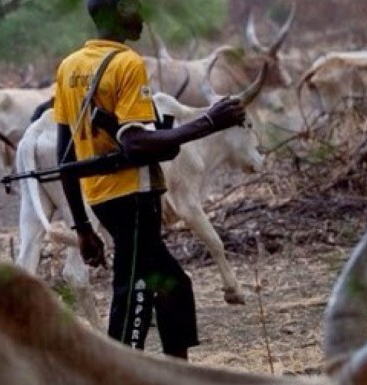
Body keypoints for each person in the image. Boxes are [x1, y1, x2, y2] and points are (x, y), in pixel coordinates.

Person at [54, 0, 247, 360]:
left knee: (174, 286)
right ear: (115, 13)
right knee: (134, 292)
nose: (141, 15)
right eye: (133, 7)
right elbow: (135, 141)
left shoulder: (69, 67)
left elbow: (65, 157)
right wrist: (209, 122)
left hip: (101, 197)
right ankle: (119, 370)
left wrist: (82, 227)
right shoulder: (127, 63)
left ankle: (176, 370)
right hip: (134, 196)